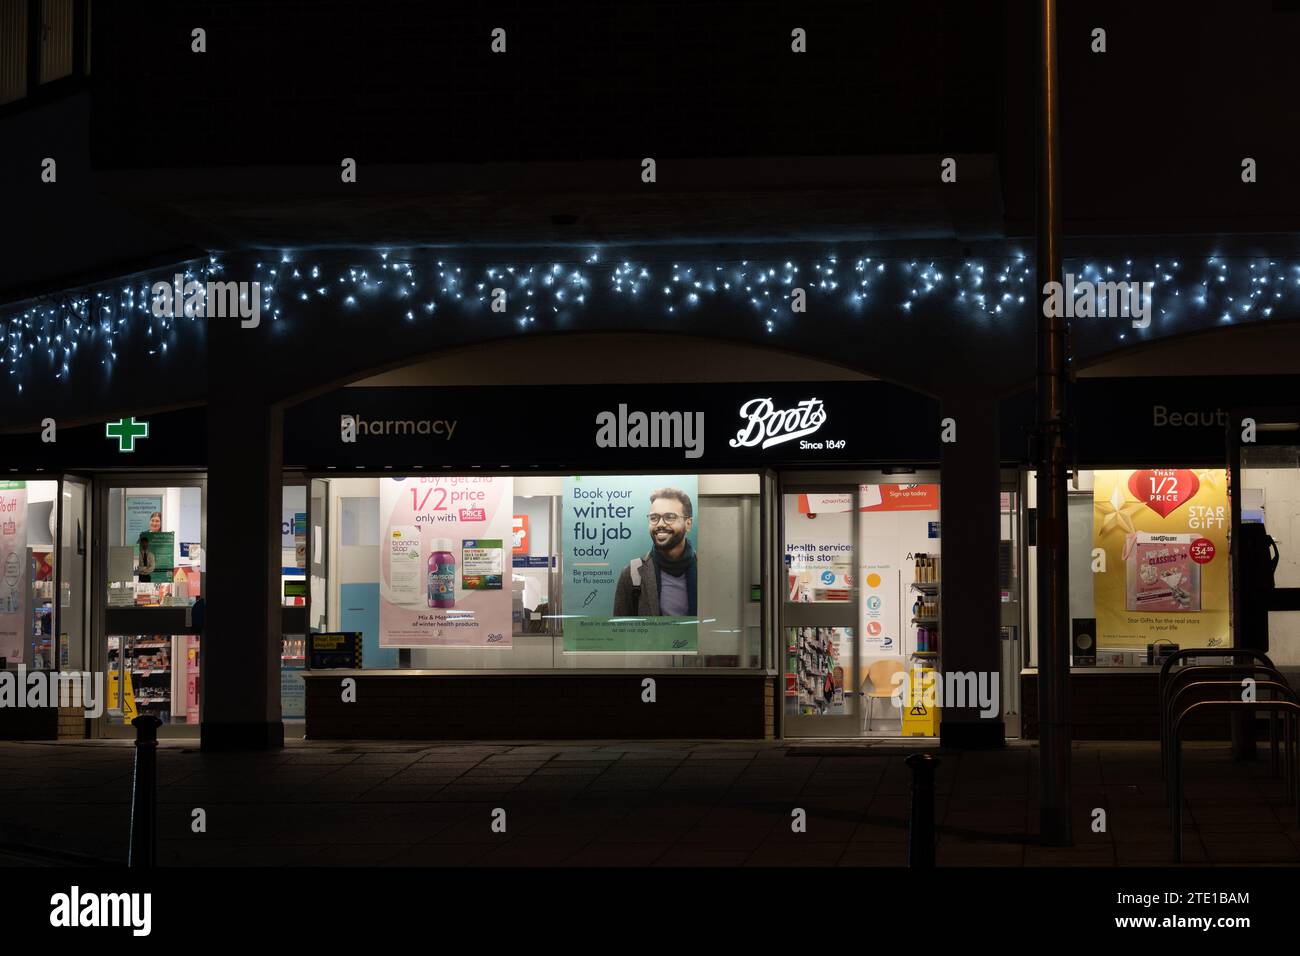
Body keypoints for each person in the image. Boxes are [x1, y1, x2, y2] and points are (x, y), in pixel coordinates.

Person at [612, 488, 698, 617]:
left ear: (688, 523)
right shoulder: (632, 573)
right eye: (654, 518)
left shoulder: (707, 571)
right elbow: (621, 632)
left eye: (670, 517)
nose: (660, 524)